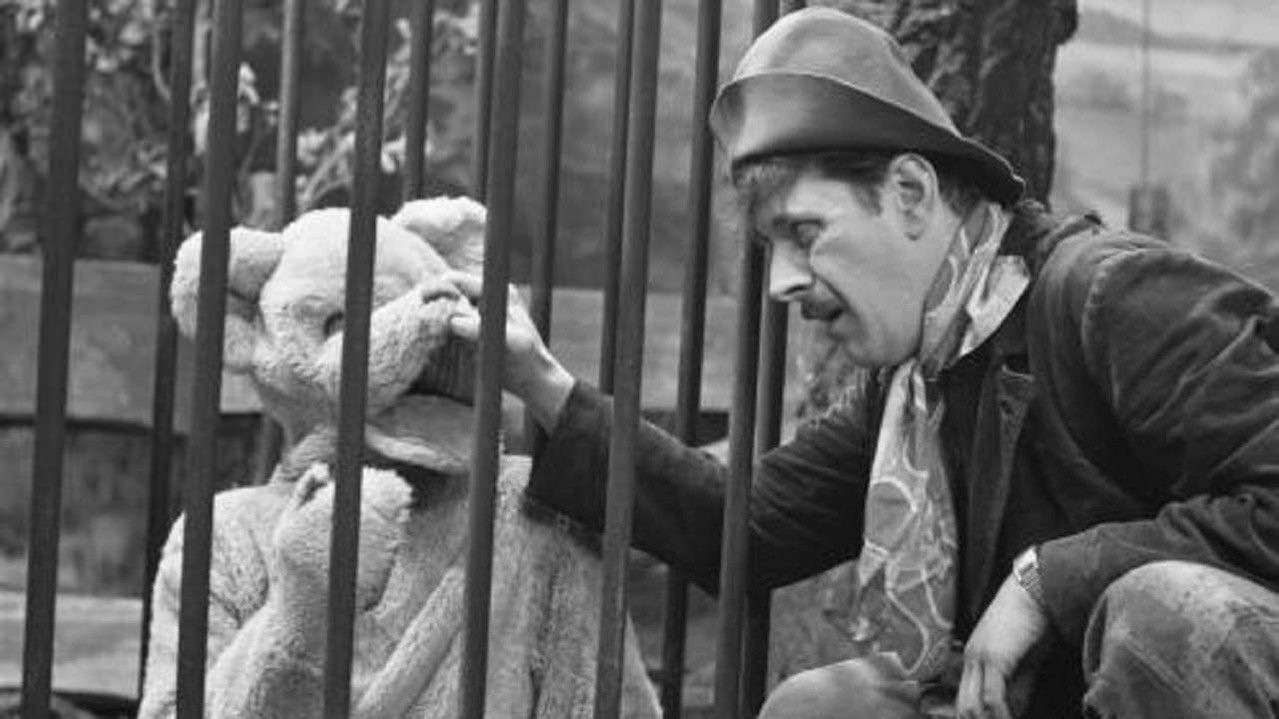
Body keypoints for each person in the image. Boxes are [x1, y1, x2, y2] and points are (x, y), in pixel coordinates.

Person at [447, 7, 1279, 718]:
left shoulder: (1106, 292)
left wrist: (1047, 579)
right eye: (771, 247)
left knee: (1167, 608)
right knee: (825, 706)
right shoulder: (918, 378)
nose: (782, 281)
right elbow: (745, 525)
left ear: (910, 193)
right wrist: (539, 381)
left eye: (804, 233)